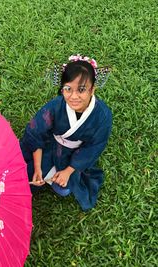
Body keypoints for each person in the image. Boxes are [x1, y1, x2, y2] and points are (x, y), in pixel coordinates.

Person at [20, 55, 112, 211]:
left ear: (92, 89)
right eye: (68, 89)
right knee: (29, 180)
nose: (74, 96)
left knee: (65, 189)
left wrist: (68, 171)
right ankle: (47, 173)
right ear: (62, 88)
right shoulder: (55, 106)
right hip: (51, 145)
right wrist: (37, 168)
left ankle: (59, 175)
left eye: (82, 89)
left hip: (75, 153)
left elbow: (93, 148)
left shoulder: (102, 116)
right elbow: (36, 134)